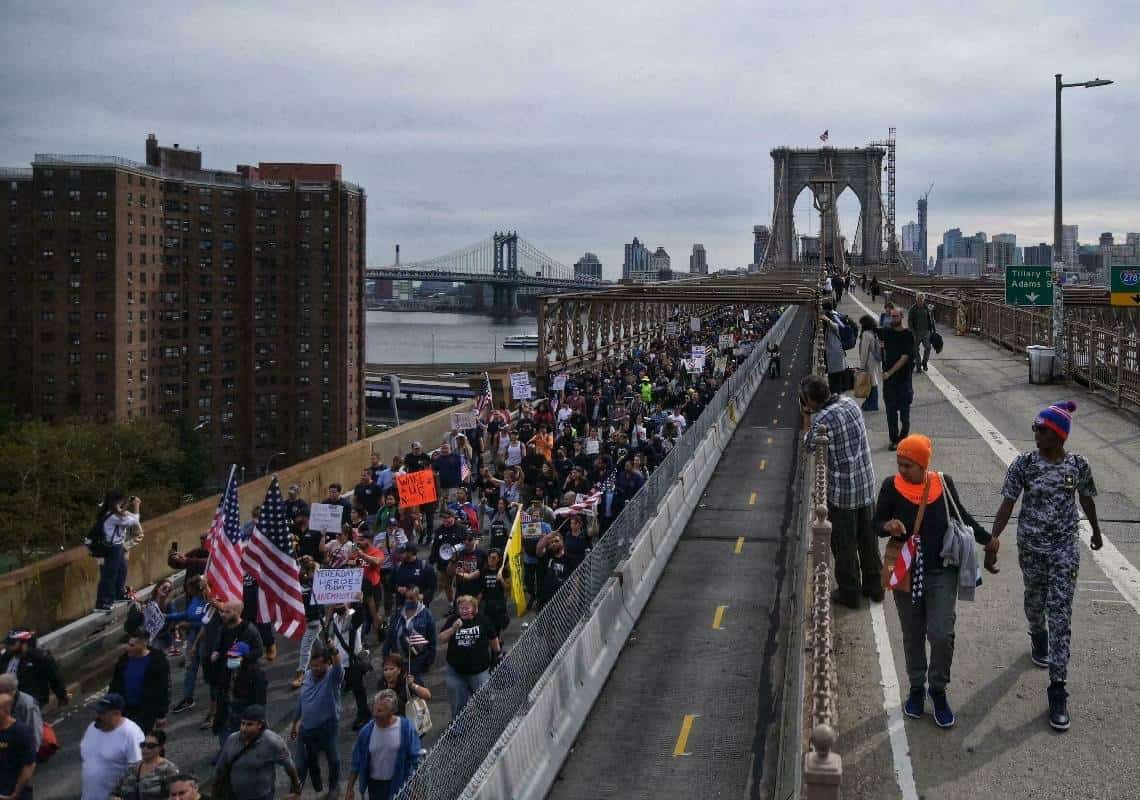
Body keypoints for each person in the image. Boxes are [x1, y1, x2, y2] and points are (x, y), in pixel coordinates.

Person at [990, 401, 1102, 732]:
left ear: (1058, 435)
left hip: (1065, 548)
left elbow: (1086, 498)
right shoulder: (1024, 464)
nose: (1035, 434)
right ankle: (1037, 635)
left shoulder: (1078, 466)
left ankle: (1057, 688)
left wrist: (1096, 530)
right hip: (1032, 547)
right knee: (1035, 603)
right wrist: (993, 540)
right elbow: (1008, 503)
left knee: (1061, 614)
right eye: (1036, 429)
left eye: (1042, 430)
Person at [872, 435, 991, 729]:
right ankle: (916, 688)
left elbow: (961, 517)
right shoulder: (890, 486)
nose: (902, 470)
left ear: (923, 464)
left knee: (941, 633)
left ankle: (937, 689)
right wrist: (888, 526)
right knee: (912, 634)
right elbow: (875, 524)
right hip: (907, 573)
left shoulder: (942, 483)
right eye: (900, 464)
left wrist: (989, 540)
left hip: (941, 572)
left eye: (909, 465)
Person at [799, 374, 879, 608]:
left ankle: (849, 592)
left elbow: (808, 445)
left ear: (810, 401)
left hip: (843, 492)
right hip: (865, 484)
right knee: (868, 540)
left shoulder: (822, 418)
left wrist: (806, 418)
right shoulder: (849, 403)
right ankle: (874, 587)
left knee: (844, 545)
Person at [212, 705, 301, 800]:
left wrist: (296, 786)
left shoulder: (272, 742)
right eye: (242, 723)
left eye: (249, 724)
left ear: (260, 725)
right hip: (235, 795)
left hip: (262, 796)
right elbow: (219, 770)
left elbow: (288, 765)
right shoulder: (232, 739)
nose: (244, 728)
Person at [346, 690, 422, 800]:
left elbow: (416, 760)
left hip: (401, 784)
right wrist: (349, 789)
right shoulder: (366, 732)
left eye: (380, 711)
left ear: (392, 711)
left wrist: (416, 789)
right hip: (375, 787)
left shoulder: (406, 728)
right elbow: (356, 762)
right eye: (375, 709)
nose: (375, 714)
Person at [290, 647, 344, 797]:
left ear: (328, 664)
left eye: (318, 665)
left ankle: (334, 787)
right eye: (312, 665)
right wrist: (295, 723)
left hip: (327, 728)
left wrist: (335, 653)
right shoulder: (307, 676)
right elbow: (301, 701)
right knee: (300, 765)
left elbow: (339, 669)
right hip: (306, 729)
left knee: (333, 759)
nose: (314, 669)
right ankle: (295, 792)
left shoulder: (332, 678)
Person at [439, 595, 501, 718]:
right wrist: (453, 629)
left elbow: (493, 638)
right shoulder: (453, 620)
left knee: (484, 698)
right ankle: (459, 724)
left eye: (467, 608)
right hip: (456, 671)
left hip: (478, 670)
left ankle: (488, 715)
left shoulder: (482, 619)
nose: (464, 610)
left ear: (474, 608)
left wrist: (497, 654)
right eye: (461, 608)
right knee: (458, 700)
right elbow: (441, 638)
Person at [80, 693, 144, 800]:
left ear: (117, 713)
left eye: (102, 713)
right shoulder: (92, 728)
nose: (98, 716)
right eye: (98, 711)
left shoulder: (131, 734)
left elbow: (138, 771)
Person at [109, 631, 170, 735]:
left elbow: (163, 689)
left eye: (132, 645)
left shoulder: (157, 662)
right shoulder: (124, 660)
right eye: (128, 644)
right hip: (125, 710)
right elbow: (115, 684)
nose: (128, 648)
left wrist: (161, 714)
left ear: (143, 644)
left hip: (145, 712)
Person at [167, 576, 210, 714]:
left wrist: (190, 625)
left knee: (210, 671)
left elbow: (207, 623)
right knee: (190, 669)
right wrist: (167, 616)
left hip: (206, 642)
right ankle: (188, 698)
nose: (187, 591)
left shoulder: (208, 602)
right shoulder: (194, 600)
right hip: (192, 640)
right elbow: (187, 614)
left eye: (188, 588)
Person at [212, 642, 267, 751]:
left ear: (244, 657)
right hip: (228, 710)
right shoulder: (227, 670)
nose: (231, 658)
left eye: (235, 656)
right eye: (230, 656)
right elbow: (221, 690)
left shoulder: (256, 673)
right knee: (226, 735)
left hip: (245, 712)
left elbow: (259, 701)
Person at [94, 493, 143, 612]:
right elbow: (134, 521)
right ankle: (105, 602)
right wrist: (135, 506)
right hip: (110, 549)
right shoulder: (112, 516)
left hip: (115, 549)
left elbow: (136, 527)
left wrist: (124, 547)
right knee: (109, 576)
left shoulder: (112, 515)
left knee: (118, 573)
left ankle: (115, 596)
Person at [0, 630, 68, 710]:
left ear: (24, 644)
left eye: (11, 643)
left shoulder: (39, 658)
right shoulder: (6, 657)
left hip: (29, 701)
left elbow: (55, 678)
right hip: (6, 698)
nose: (7, 646)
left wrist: (62, 696)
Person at [382, 586, 436, 684]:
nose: (408, 601)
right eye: (406, 598)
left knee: (414, 687)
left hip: (416, 660)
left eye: (411, 598)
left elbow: (432, 640)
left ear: (418, 597)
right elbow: (390, 635)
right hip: (398, 660)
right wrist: (385, 655)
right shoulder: (398, 614)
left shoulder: (426, 615)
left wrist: (429, 660)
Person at [110, 729, 180, 800]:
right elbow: (114, 792)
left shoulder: (169, 769)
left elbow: (177, 796)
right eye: (143, 745)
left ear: (160, 748)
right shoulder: (131, 768)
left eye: (150, 746)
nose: (145, 749)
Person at [881, 305, 915, 450]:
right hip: (889, 381)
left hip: (903, 379)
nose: (893, 319)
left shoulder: (908, 334)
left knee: (905, 412)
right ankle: (894, 439)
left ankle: (904, 437)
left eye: (896, 316)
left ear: (902, 317)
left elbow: (905, 357)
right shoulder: (887, 332)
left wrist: (890, 372)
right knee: (890, 411)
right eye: (891, 316)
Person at [0, 693, 35, 800]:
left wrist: (15, 793)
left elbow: (29, 765)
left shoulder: (21, 732)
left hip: (14, 793)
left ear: (5, 711)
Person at [0, 676, 42, 755]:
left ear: (11, 691)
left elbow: (35, 730)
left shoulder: (28, 705)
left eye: (1, 691)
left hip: (21, 746)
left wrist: (30, 755)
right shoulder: (4, 702)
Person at [819, 299, 849, 395]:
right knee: (834, 378)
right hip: (834, 353)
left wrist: (827, 319)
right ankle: (836, 396)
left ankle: (836, 398)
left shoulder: (833, 316)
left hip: (835, 352)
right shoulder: (833, 314)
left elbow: (839, 327)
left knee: (835, 379)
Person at [856, 314, 882, 412]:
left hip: (869, 362)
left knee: (871, 382)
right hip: (875, 361)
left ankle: (872, 404)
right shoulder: (874, 332)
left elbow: (864, 352)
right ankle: (871, 403)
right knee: (873, 382)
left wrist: (862, 367)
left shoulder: (866, 334)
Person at [907, 293, 935, 373]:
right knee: (915, 349)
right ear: (916, 299)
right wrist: (912, 331)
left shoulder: (927, 308)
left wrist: (932, 329)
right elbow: (910, 321)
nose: (920, 300)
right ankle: (918, 364)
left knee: (928, 348)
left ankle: (924, 362)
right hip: (916, 332)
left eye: (921, 298)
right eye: (918, 298)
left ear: (923, 299)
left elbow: (931, 319)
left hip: (926, 332)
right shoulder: (913, 309)